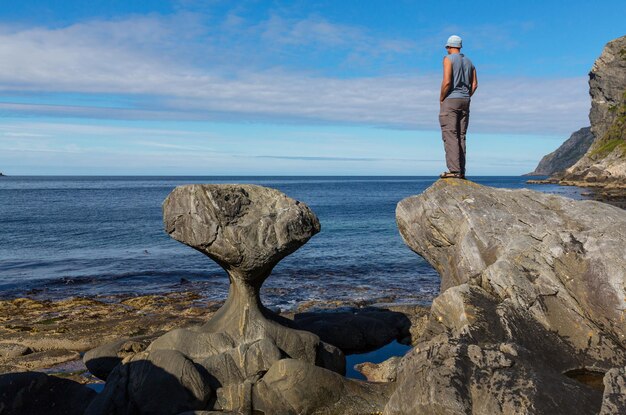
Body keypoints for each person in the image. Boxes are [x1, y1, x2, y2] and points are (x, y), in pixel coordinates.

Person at [439, 35, 478, 179]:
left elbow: (447, 81)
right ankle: (461, 172)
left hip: (451, 100)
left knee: (450, 135)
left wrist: (442, 98)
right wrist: (467, 96)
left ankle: (454, 171)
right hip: (465, 100)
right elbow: (474, 84)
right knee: (461, 136)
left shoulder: (447, 59)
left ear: (448, 47)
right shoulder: (470, 62)